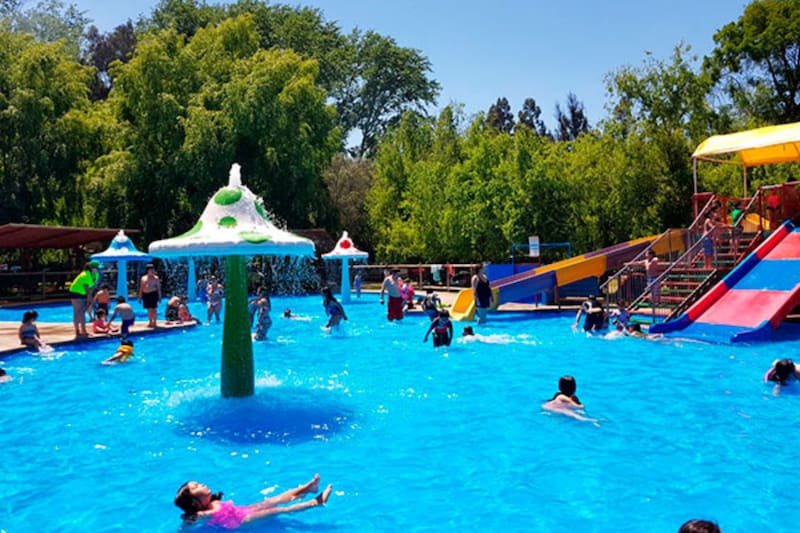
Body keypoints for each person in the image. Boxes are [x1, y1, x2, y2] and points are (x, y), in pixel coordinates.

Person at [174, 474, 331, 528]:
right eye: (196, 487)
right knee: (277, 510)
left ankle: (308, 488)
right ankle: (316, 503)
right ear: (195, 502)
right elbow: (189, 523)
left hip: (243, 511)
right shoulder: (202, 514)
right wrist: (186, 524)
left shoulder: (213, 502)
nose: (201, 484)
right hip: (242, 521)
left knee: (274, 499)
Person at [68, 261, 102, 338]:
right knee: (77, 312)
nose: (99, 270)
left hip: (84, 292)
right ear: (92, 268)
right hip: (76, 292)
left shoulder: (96, 275)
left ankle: (84, 331)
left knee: (82, 312)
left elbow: (92, 288)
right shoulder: (85, 276)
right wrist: (90, 301)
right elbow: (87, 291)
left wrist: (90, 300)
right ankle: (77, 331)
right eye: (97, 268)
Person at [139, 263, 161, 328]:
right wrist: (140, 297)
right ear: (148, 271)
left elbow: (158, 289)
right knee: (149, 309)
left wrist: (159, 297)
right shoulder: (143, 278)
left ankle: (155, 322)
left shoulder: (156, 278)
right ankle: (150, 322)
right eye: (151, 270)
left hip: (153, 294)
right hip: (146, 294)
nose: (152, 271)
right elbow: (141, 288)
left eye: (153, 270)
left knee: (154, 309)